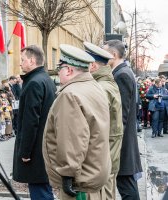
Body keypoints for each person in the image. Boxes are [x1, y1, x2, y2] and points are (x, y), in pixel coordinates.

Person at [43, 44, 111, 200]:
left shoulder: (70, 95)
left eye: (59, 68)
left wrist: (67, 174)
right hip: (93, 174)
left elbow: (72, 140)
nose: (57, 73)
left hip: (79, 183)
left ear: (68, 70)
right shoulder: (94, 87)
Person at [13, 45, 56, 199]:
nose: (20, 63)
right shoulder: (45, 79)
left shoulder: (34, 83)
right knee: (43, 190)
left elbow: (31, 122)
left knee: (40, 193)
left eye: (23, 60)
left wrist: (25, 152)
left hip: (36, 150)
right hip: (44, 146)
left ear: (32, 61)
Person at [103, 40, 143, 200]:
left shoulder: (122, 75)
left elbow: (121, 115)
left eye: (105, 53)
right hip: (124, 142)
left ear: (113, 55)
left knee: (126, 187)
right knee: (126, 185)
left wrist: (114, 144)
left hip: (123, 144)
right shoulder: (122, 72)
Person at [85, 41, 123, 199]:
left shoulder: (101, 88)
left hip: (102, 162)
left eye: (85, 64)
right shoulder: (105, 84)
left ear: (93, 66)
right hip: (106, 160)